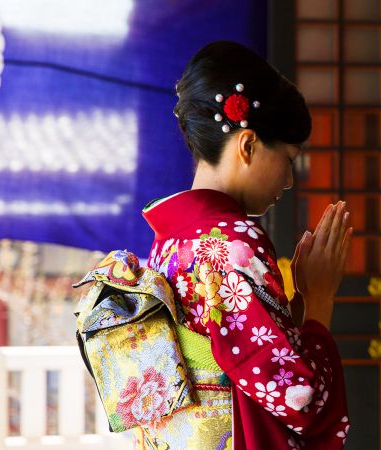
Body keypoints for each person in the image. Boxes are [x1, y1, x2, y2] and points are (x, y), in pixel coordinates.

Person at [135, 41, 352, 449]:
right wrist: (320, 299)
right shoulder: (232, 243)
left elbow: (252, 361)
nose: (288, 182)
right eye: (288, 159)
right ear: (248, 145)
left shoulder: (170, 238)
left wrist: (302, 302)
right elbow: (298, 397)